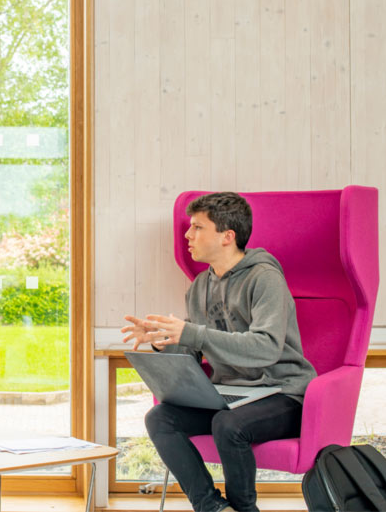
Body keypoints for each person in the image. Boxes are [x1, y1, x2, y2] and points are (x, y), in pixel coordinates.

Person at [120, 192, 317, 512]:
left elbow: (266, 348)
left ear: (228, 236)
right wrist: (163, 340)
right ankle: (212, 507)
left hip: (283, 393)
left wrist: (192, 332)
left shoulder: (265, 277)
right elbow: (194, 349)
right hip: (233, 395)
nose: (187, 235)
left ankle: (244, 508)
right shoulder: (200, 286)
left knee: (228, 424)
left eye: (197, 227)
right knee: (160, 418)